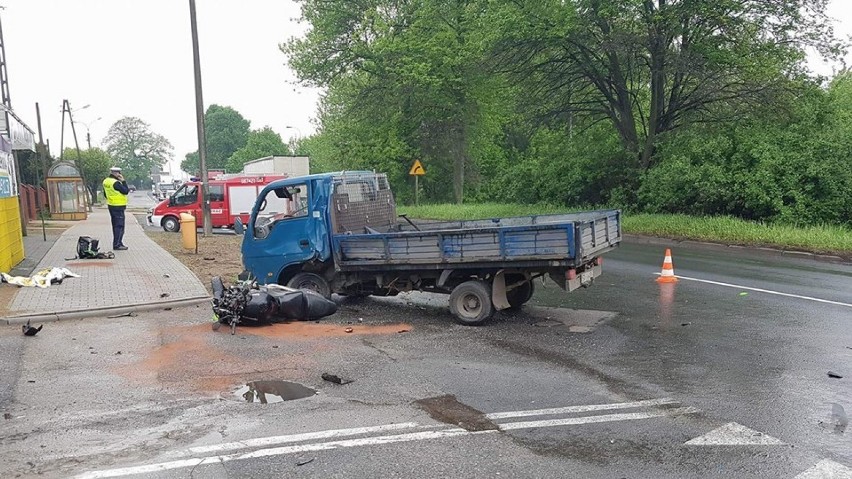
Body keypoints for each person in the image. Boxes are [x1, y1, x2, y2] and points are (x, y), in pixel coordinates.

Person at [103, 166, 130, 250]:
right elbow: (126, 191)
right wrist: (123, 181)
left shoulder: (106, 181)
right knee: (119, 226)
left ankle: (118, 243)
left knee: (115, 225)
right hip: (118, 206)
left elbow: (105, 194)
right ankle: (117, 244)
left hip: (111, 205)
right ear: (116, 173)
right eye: (119, 173)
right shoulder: (116, 183)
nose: (120, 174)